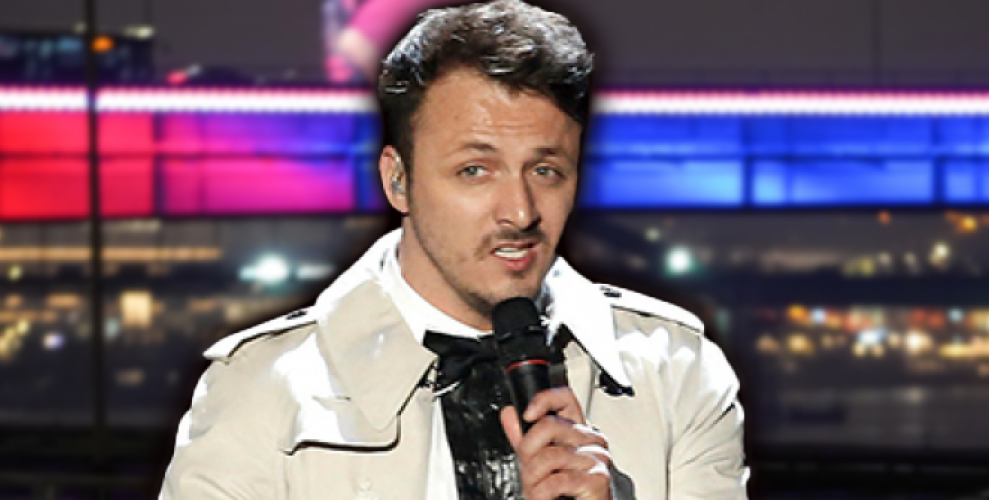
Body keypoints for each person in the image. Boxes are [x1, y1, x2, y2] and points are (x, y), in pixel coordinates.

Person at [158, 1, 748, 498]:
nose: (520, 212)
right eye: (474, 170)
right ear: (398, 181)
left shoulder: (678, 373)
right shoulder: (260, 390)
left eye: (545, 170)